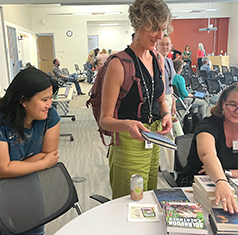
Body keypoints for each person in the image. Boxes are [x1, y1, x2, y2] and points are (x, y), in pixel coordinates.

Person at [99, 0, 172, 199]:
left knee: (149, 196)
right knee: (128, 201)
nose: (160, 36)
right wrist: (127, 125)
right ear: (138, 25)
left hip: (153, 138)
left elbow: (160, 99)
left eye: (163, 29)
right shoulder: (119, 64)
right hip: (129, 142)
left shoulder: (158, 59)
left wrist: (165, 114)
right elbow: (104, 119)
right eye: (155, 28)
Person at [0, 67, 60, 235]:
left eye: (51, 98)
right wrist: (42, 163)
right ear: (23, 100)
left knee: (34, 231)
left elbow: (49, 154)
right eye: (44, 99)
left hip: (28, 182)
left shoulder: (50, 116)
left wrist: (10, 168)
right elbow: (1, 170)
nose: (49, 104)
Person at [176, 82, 238, 214]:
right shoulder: (208, 125)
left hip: (235, 183)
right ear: (223, 103)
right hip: (197, 182)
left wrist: (225, 173)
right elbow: (207, 154)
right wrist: (221, 180)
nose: (237, 110)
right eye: (232, 104)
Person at [156, 34, 177, 173]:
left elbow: (171, 83)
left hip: (169, 98)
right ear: (157, 45)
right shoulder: (155, 60)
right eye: (162, 44)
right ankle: (168, 168)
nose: (165, 47)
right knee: (166, 133)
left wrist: (173, 102)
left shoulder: (169, 61)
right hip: (160, 100)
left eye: (167, 44)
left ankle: (167, 165)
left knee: (169, 133)